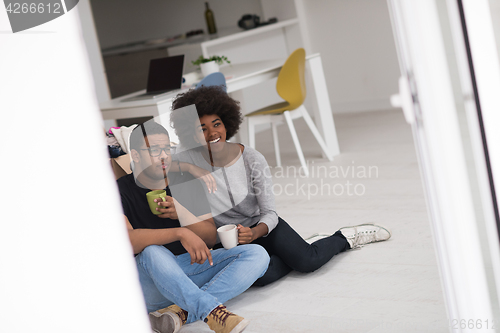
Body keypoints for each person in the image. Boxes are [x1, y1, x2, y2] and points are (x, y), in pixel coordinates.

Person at [170, 86, 392, 287]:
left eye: (216, 124)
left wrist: (254, 232)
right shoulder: (189, 158)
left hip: (262, 228)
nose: (212, 134)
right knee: (261, 277)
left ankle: (343, 238)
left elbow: (270, 213)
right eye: (202, 129)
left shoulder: (252, 159)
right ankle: (295, 249)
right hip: (227, 239)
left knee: (307, 261)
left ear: (227, 123)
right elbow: (156, 162)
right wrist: (192, 169)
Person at [117, 120, 270, 333]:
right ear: (135, 155)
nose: (163, 156)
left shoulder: (184, 182)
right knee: (152, 251)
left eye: (166, 149)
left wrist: (182, 213)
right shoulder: (118, 190)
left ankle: (179, 312)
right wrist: (180, 232)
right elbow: (128, 242)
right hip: (148, 280)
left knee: (258, 255)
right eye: (154, 150)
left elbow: (209, 237)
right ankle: (210, 310)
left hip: (189, 268)